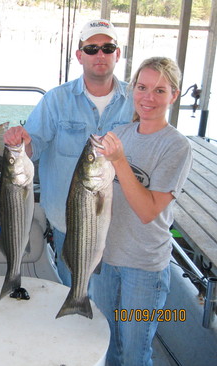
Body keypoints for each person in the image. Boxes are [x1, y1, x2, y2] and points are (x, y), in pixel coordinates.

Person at [3, 19, 134, 285]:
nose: (100, 55)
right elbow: (33, 147)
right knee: (75, 294)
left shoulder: (138, 100)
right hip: (68, 223)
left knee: (114, 309)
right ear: (79, 55)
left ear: (118, 54)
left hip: (124, 227)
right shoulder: (55, 100)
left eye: (108, 48)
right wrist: (20, 142)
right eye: (91, 49)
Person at [90, 57, 193, 366]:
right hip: (106, 260)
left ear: (174, 95)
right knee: (109, 348)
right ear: (132, 89)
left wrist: (120, 161)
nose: (148, 98)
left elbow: (148, 211)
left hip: (144, 268)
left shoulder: (176, 146)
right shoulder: (120, 132)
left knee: (135, 354)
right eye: (142, 87)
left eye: (160, 91)